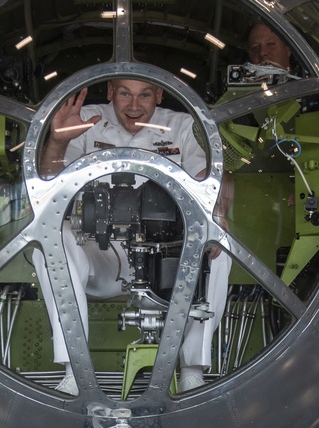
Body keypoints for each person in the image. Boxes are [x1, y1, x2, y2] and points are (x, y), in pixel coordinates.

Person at [34, 79, 231, 395]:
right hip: (99, 253)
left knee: (219, 247)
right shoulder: (86, 120)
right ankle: (74, 371)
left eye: (145, 95)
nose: (134, 106)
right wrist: (57, 142)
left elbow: (205, 182)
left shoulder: (182, 126)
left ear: (160, 95)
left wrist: (216, 216)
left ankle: (193, 370)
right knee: (53, 241)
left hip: (163, 257)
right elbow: (46, 185)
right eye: (125, 94)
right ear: (111, 92)